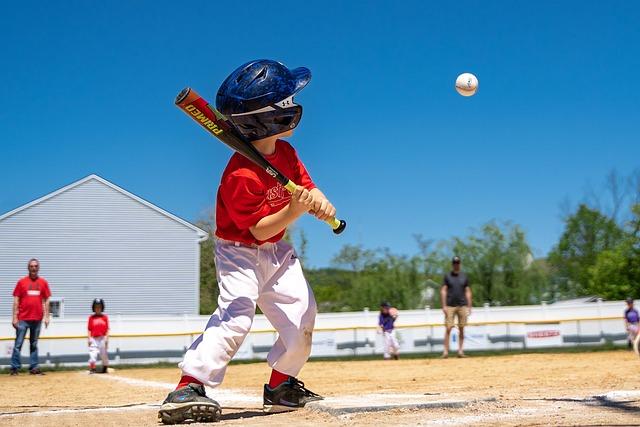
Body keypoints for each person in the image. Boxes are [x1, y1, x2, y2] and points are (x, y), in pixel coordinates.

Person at [159, 60, 337, 424]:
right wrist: (294, 210)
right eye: (286, 102)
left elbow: (305, 183)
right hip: (239, 253)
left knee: (303, 313)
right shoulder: (240, 173)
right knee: (237, 315)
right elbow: (258, 229)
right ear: (268, 118)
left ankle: (281, 384)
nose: (293, 105)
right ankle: (188, 385)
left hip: (276, 252)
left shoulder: (285, 154)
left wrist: (318, 198)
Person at [10, 258, 51, 375]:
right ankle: (15, 368)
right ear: (28, 268)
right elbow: (16, 299)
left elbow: (47, 299)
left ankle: (34, 367)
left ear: (38, 268)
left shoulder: (43, 283)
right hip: (22, 319)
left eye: (36, 266)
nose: (34, 268)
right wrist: (14, 317)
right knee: (18, 344)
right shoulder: (21, 282)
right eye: (32, 266)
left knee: (34, 344)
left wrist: (47, 316)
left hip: (37, 319)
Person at [440, 256, 472, 358]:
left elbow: (467, 291)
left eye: (457, 263)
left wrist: (469, 305)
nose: (456, 264)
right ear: (452, 264)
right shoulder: (448, 276)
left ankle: (460, 351)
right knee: (448, 328)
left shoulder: (464, 276)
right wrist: (444, 305)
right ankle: (445, 351)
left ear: (460, 264)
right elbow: (443, 290)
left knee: (462, 328)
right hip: (450, 306)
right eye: (454, 263)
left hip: (462, 305)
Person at [88, 298, 110, 374]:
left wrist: (107, 339)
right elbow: (89, 329)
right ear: (93, 308)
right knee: (92, 353)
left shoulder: (105, 318)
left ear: (102, 307)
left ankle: (105, 366)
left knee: (103, 354)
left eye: (99, 307)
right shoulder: (91, 318)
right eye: (96, 307)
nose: (98, 308)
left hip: (102, 338)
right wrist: (89, 339)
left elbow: (107, 329)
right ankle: (92, 368)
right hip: (93, 338)